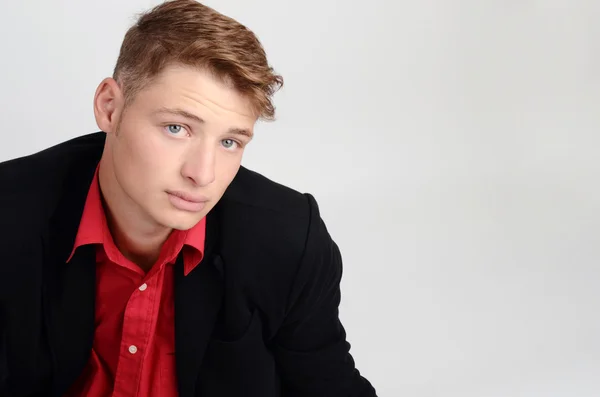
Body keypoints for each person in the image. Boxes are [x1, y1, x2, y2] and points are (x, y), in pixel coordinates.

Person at [0, 1, 377, 396]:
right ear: (110, 107)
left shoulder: (288, 241)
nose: (203, 174)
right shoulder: (10, 213)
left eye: (230, 141)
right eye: (177, 128)